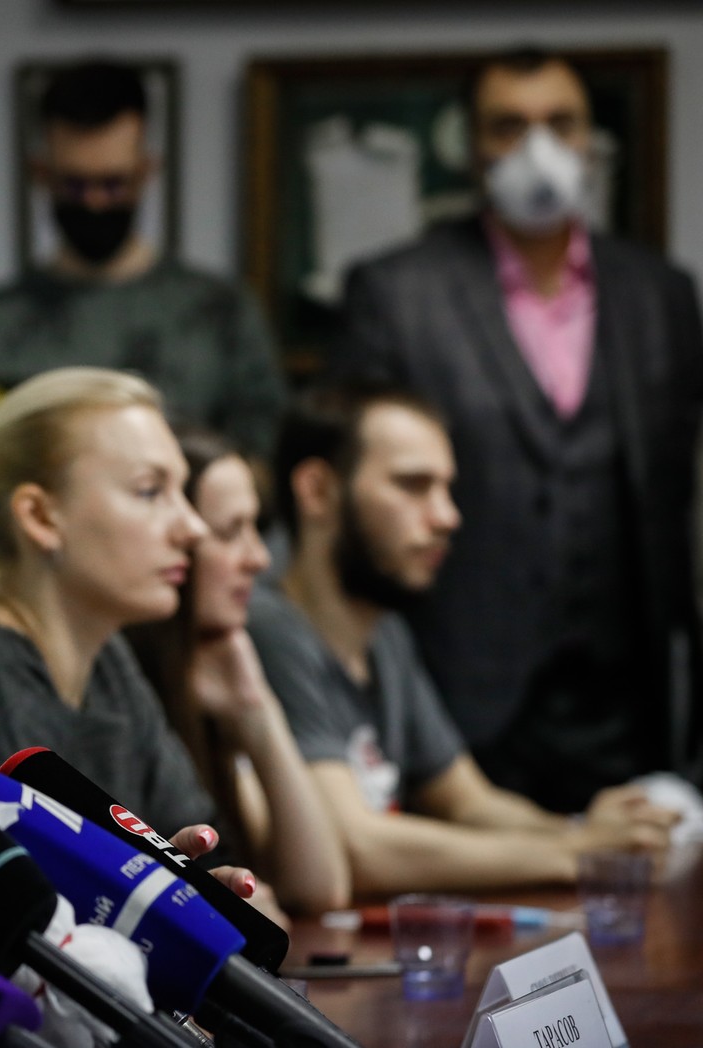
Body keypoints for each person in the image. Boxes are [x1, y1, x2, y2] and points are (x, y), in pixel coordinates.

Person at [336, 45, 703, 810]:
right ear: (470, 145)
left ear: (591, 139)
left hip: (624, 697)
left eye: (559, 122)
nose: (537, 147)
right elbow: (355, 483)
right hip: (459, 690)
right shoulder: (397, 291)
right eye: (508, 125)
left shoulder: (659, 294)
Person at [0, 366, 277, 911]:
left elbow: (216, 873)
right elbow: (48, 927)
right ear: (41, 516)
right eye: (151, 491)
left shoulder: (111, 667)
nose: (192, 528)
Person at [247, 381, 677, 896]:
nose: (447, 517)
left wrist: (588, 832)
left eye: (446, 489)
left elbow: (466, 800)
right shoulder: (269, 627)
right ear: (317, 490)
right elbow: (358, 846)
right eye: (412, 486)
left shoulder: (385, 633)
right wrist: (575, 854)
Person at [0, 58, 286, 463]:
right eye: (75, 184)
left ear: (147, 170)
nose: (95, 203)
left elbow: (261, 467)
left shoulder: (223, 314)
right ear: (42, 173)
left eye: (113, 184)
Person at [125, 428, 349, 914]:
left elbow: (319, 886)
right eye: (230, 533)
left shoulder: (216, 671)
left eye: (256, 529)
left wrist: (259, 713)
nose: (259, 558)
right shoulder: (126, 691)